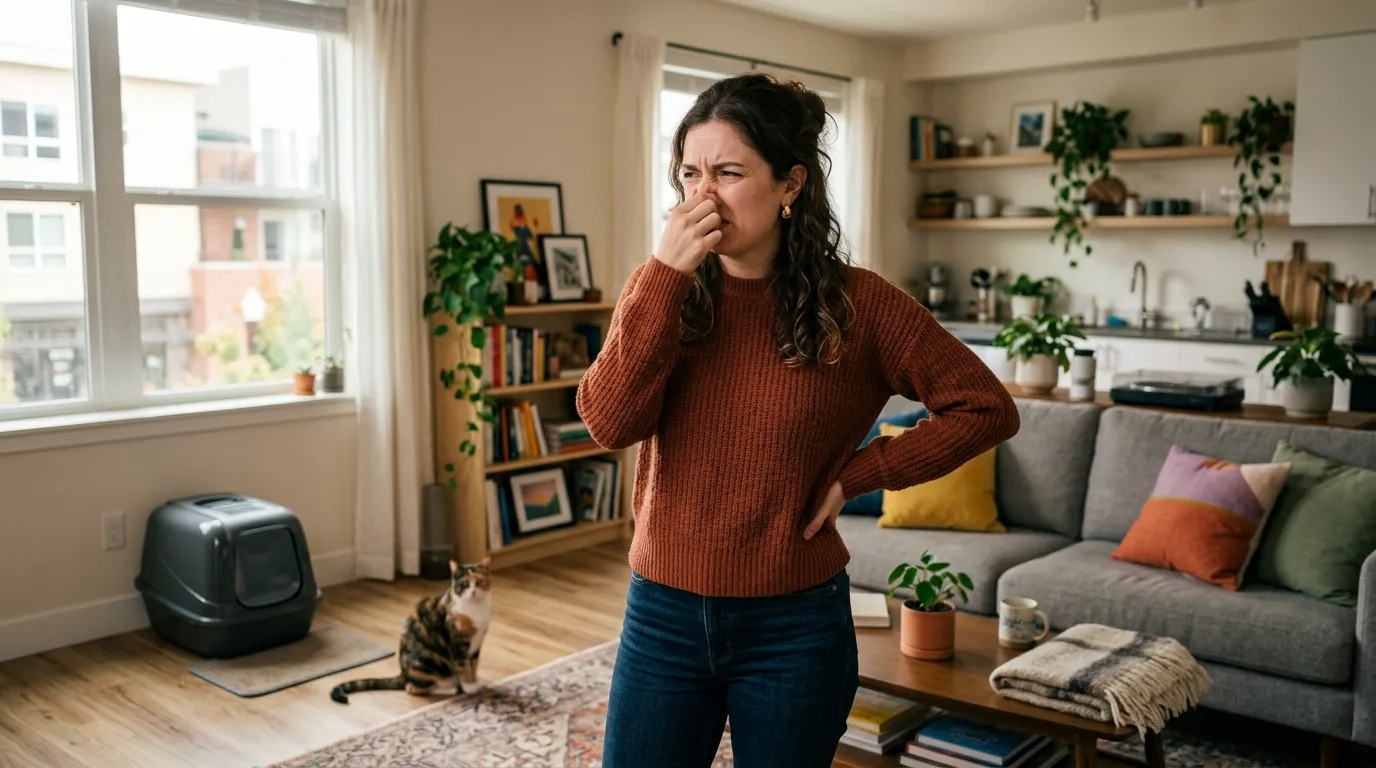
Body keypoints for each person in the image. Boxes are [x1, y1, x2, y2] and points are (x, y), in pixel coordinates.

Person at [576, 72, 1020, 767]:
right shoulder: (655, 288)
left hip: (795, 623)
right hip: (661, 614)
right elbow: (608, 422)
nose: (702, 195)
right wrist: (665, 276)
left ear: (791, 185)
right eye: (689, 173)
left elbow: (985, 407)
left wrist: (862, 474)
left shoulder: (861, 306)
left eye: (728, 172)